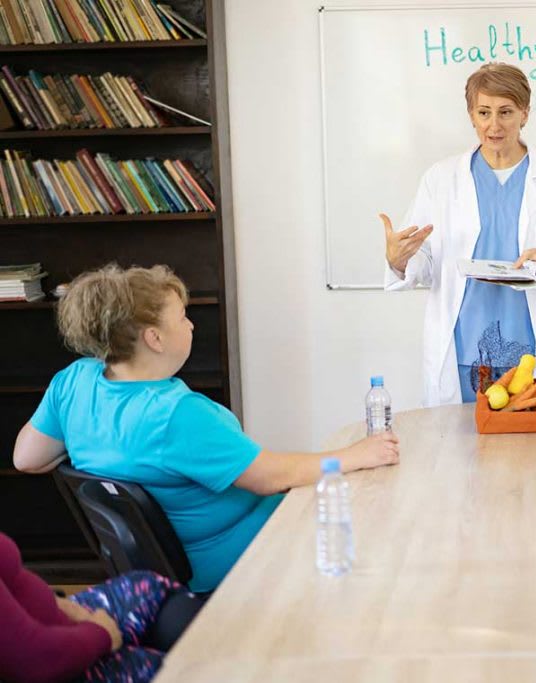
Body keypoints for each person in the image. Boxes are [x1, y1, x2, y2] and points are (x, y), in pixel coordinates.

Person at [13, 264, 399, 594]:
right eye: (182, 317)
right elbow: (271, 477)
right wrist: (357, 454)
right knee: (376, 518)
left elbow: (27, 458)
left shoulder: (75, 382)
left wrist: (97, 443)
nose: (192, 324)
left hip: (160, 570)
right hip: (239, 561)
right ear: (154, 337)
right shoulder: (175, 414)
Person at [381, 62, 536, 405]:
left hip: (530, 348)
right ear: (471, 114)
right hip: (463, 347)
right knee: (460, 450)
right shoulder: (440, 180)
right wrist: (398, 260)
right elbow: (422, 259)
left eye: (506, 112)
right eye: (484, 112)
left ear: (525, 114)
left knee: (532, 450)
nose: (493, 125)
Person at [0, 531, 202, 682]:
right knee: (186, 674)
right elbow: (36, 660)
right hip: (52, 664)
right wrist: (101, 634)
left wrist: (62, 606)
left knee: (146, 585)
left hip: (55, 626)